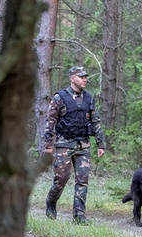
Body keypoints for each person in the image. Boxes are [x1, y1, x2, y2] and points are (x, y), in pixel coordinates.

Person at [43, 66, 105, 225]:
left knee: (82, 180)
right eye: (81, 77)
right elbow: (50, 122)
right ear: (72, 78)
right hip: (64, 144)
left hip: (83, 145)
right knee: (61, 179)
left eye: (85, 77)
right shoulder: (60, 98)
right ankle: (51, 202)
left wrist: (100, 143)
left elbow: (95, 121)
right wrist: (48, 145)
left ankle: (79, 216)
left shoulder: (89, 99)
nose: (84, 79)